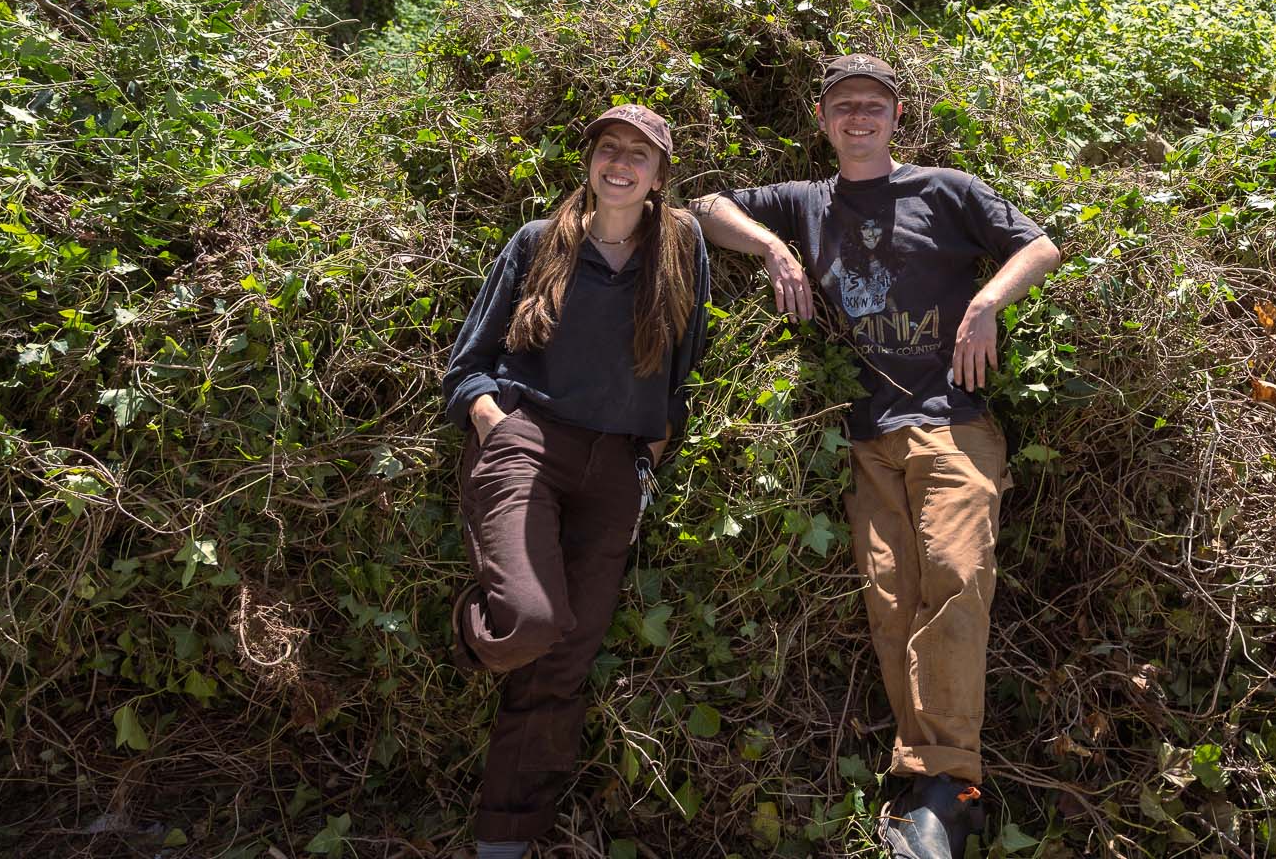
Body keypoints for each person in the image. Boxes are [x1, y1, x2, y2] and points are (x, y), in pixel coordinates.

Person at [689, 54, 1061, 859]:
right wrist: (775, 251)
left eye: (874, 105)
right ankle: (927, 786)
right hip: (865, 433)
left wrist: (988, 302)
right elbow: (705, 205)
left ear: (898, 118)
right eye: (843, 105)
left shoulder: (946, 190)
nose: (859, 117)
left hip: (952, 419)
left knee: (957, 575)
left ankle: (948, 784)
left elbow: (1040, 248)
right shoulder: (804, 201)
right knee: (892, 598)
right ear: (822, 121)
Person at [441, 104, 710, 859]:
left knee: (565, 661)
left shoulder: (679, 253)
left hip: (617, 467)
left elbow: (682, 366)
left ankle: (506, 835)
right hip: (528, 445)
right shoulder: (538, 244)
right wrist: (498, 426)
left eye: (639, 156)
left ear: (660, 177)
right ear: (589, 160)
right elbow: (467, 365)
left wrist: (652, 448)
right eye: (608, 149)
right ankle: (473, 630)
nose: (620, 164)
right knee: (530, 625)